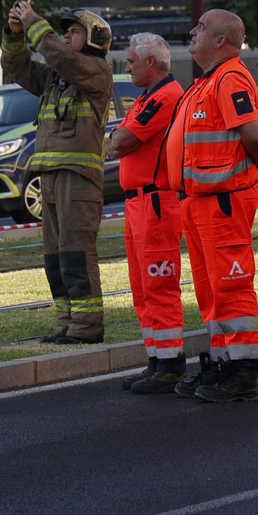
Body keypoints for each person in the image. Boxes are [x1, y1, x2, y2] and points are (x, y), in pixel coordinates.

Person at [165, 9, 258, 402]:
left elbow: (254, 135)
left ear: (221, 40)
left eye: (201, 28)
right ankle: (223, 363)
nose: (193, 33)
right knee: (212, 290)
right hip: (201, 202)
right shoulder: (206, 83)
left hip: (223, 202)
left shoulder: (230, 78)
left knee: (232, 285)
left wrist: (256, 162)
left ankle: (243, 372)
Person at [3, 0, 115, 344]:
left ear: (94, 39)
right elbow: (17, 67)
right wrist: (14, 32)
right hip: (49, 176)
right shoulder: (55, 77)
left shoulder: (95, 71)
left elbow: (61, 57)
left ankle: (86, 326)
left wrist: (35, 21)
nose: (66, 37)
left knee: (76, 252)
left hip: (78, 180)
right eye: (64, 32)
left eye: (74, 32)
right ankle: (66, 322)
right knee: (55, 257)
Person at [106, 32, 185, 394]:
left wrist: (118, 140)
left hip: (156, 201)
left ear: (151, 62)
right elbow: (120, 141)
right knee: (142, 286)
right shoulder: (147, 97)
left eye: (131, 61)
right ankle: (157, 360)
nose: (127, 67)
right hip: (139, 203)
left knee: (158, 282)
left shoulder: (165, 96)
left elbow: (120, 142)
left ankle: (170, 364)